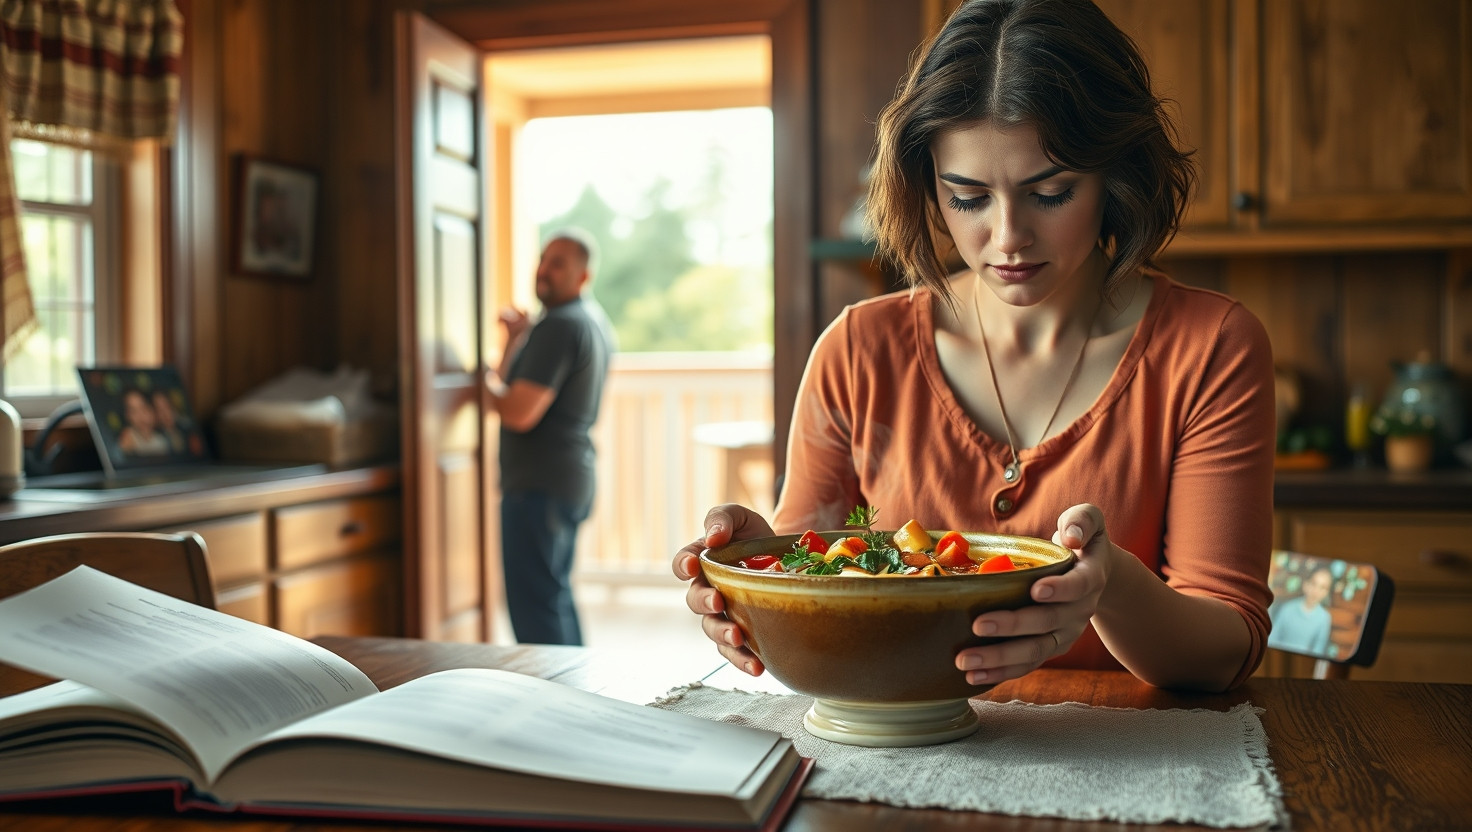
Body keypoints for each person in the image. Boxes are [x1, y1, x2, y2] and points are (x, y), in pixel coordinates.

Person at [673, 0, 1275, 693]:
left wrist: (1113, 586)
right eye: (968, 198)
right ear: (929, 185)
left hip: (1132, 762)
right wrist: (753, 578)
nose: (1008, 235)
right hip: (903, 761)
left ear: (1117, 175)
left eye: (1050, 193)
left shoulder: (1210, 348)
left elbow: (1223, 653)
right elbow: (818, 584)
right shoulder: (857, 350)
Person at [486, 229, 616, 645]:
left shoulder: (559, 325)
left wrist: (472, 377)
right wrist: (514, 342)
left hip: (539, 487)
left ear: (582, 276)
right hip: (566, 479)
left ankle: (552, 701)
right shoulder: (590, 321)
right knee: (553, 595)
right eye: (543, 259)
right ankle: (582, 692)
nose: (544, 269)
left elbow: (518, 412)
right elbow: (516, 390)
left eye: (558, 263)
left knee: (535, 607)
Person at [1267, 567, 1334, 656]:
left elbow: (1318, 650)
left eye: (1323, 587)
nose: (1316, 591)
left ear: (1326, 593)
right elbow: (1273, 638)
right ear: (1305, 585)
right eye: (1314, 584)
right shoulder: (1288, 608)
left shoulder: (1324, 618)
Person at [117, 389, 170, 456]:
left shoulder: (161, 440)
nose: (141, 416)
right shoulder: (127, 440)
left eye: (143, 408)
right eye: (133, 411)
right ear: (127, 416)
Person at [151, 390, 187, 455]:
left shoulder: (186, 429)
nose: (165, 414)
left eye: (167, 407)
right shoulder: (157, 438)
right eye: (160, 410)